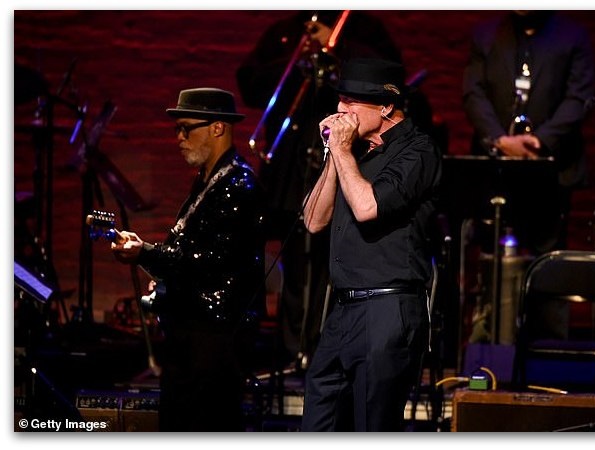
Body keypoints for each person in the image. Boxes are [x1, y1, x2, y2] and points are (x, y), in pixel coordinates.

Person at [236, 11, 413, 367]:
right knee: (296, 257)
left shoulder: (361, 26)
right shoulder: (287, 31)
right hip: (291, 166)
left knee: (333, 259)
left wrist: (336, 44)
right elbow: (250, 85)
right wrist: (298, 59)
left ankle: (324, 348)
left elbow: (392, 79)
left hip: (350, 160)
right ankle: (292, 349)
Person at [110, 87, 266, 431]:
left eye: (186, 129)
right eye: (176, 130)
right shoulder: (208, 181)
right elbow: (188, 252)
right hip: (194, 332)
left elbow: (210, 261)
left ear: (218, 128)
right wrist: (156, 267)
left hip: (216, 335)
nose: (179, 138)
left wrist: (144, 252)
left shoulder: (237, 185)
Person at [300, 58, 442, 431]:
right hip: (343, 310)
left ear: (386, 106)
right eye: (340, 100)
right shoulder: (354, 153)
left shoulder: (418, 151)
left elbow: (367, 208)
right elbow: (313, 220)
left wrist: (343, 152)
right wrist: (335, 156)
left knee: (371, 427)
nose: (340, 109)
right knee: (318, 420)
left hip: (387, 309)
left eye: (352, 101)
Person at [463, 11, 595, 252]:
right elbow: (474, 93)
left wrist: (539, 141)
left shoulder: (573, 36)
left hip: (551, 171)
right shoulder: (486, 34)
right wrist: (500, 140)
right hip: (496, 169)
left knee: (545, 257)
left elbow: (578, 98)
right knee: (492, 253)